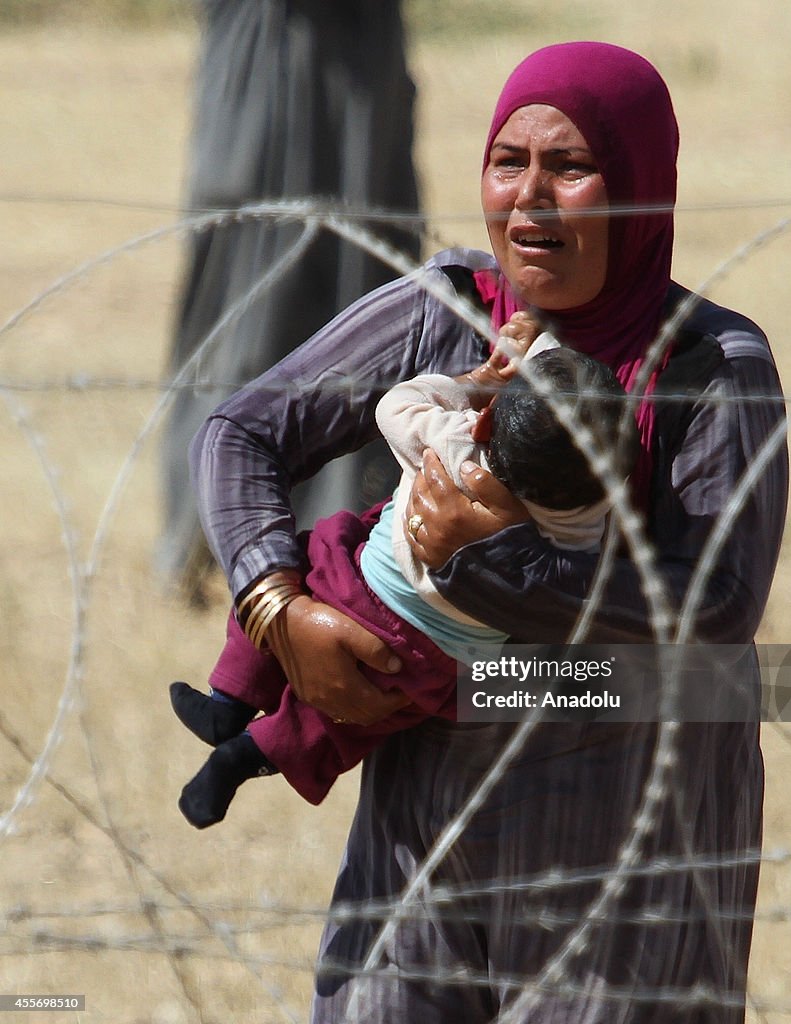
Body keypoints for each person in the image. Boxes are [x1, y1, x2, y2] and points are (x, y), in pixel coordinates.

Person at [187, 41, 788, 1024]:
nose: (529, 199)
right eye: (508, 161)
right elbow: (240, 429)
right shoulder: (445, 315)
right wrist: (276, 607)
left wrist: (483, 552)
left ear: (640, 187)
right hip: (426, 815)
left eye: (571, 167)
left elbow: (713, 607)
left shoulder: (706, 366)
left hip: (625, 834)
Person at [171, 311, 640, 824]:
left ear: (485, 420)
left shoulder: (457, 443)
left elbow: (396, 406)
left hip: (357, 587)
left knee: (292, 561)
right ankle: (242, 758)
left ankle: (228, 700)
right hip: (439, 663)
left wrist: (478, 382)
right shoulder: (584, 516)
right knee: (345, 724)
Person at [157, 0, 420, 599]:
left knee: (367, 302)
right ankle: (209, 530)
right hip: (264, 63)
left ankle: (348, 532)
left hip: (359, 69)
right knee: (246, 311)